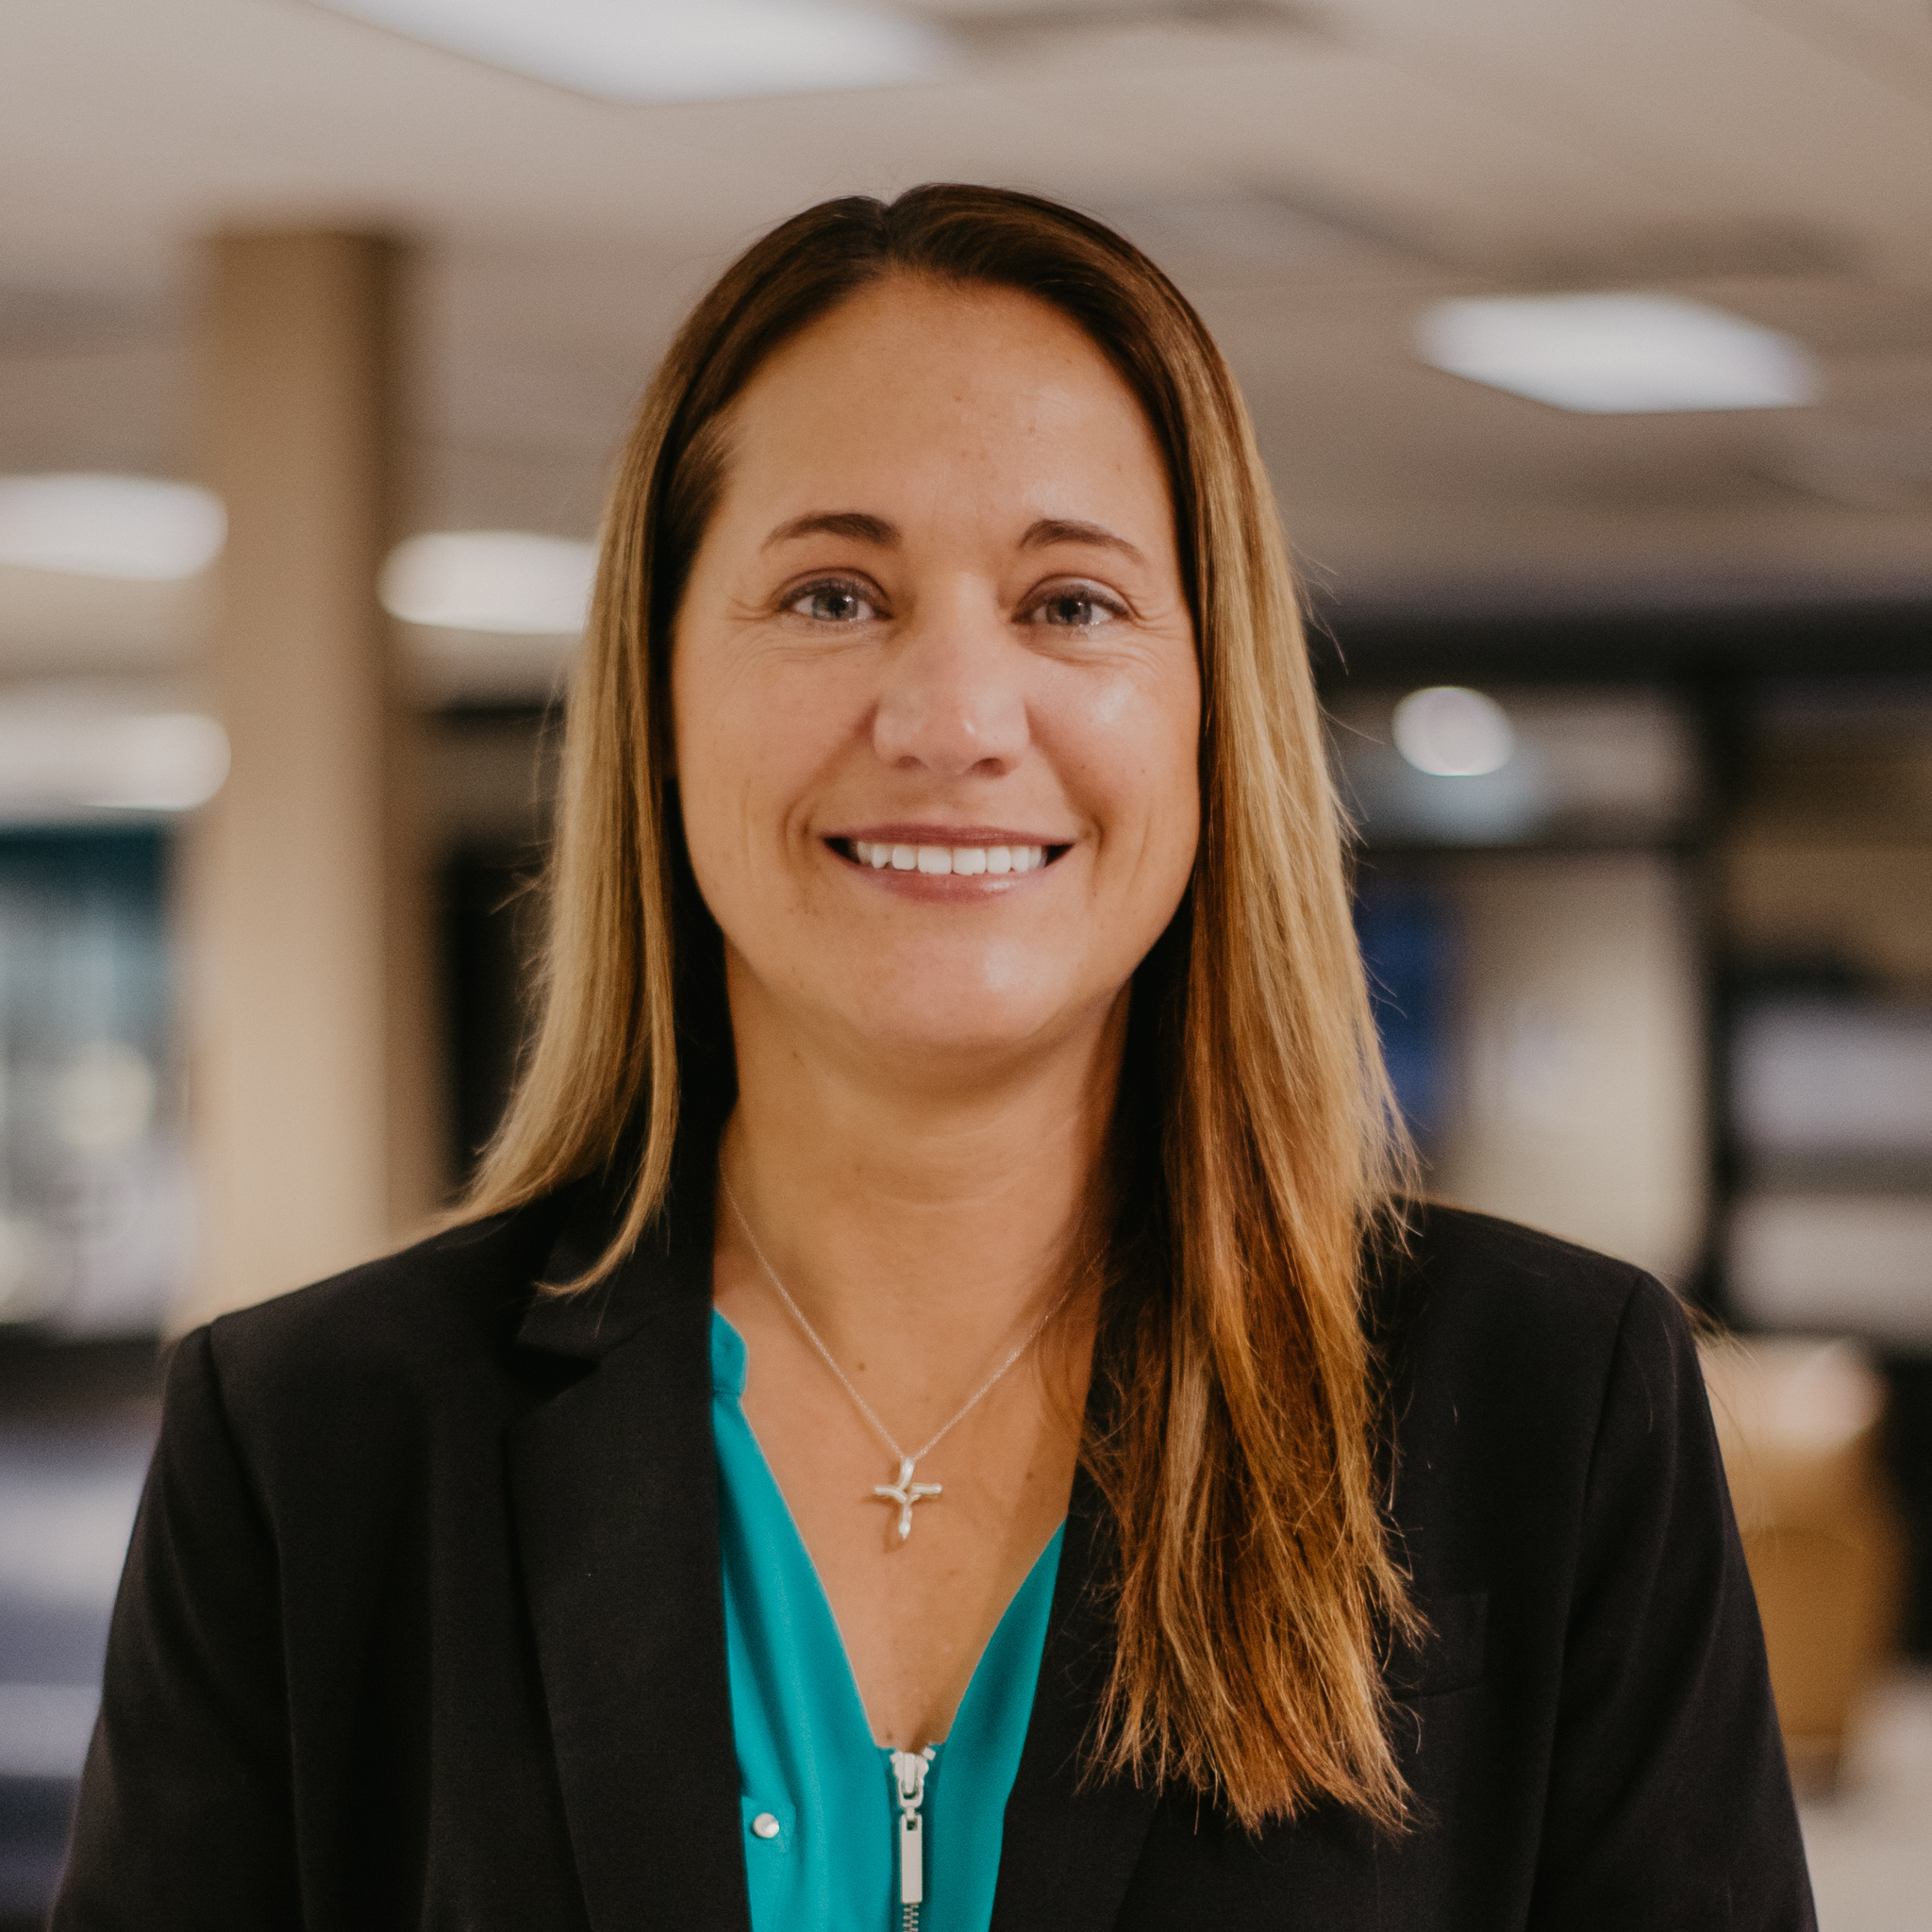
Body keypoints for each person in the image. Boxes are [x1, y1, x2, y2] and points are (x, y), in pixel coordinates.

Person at [56, 184, 1813, 1931]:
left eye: (1072, 605)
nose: (955, 720)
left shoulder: (1544, 1409)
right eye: (831, 595)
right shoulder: (316, 1448)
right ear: (660, 693)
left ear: (1215, 708)